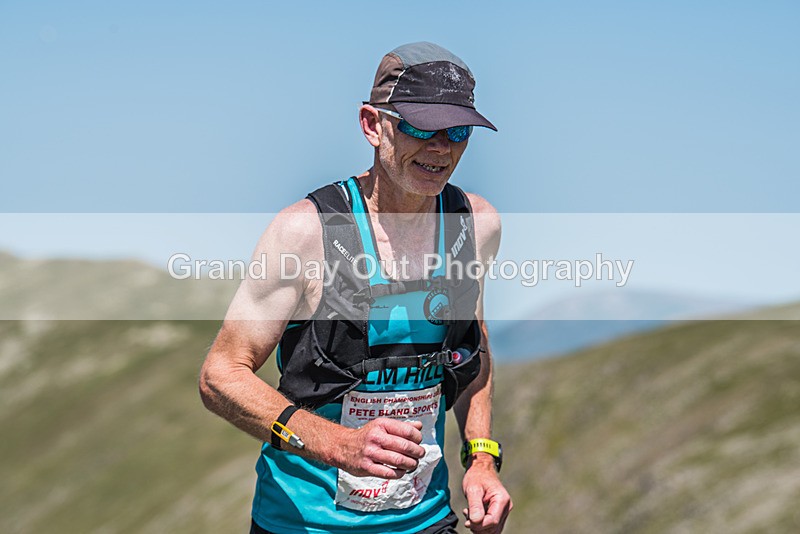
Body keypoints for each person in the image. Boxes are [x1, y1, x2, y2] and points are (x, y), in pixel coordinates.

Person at [200, 42, 512, 534]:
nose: (440, 147)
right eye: (420, 127)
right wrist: (335, 444)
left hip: (425, 521)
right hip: (301, 524)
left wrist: (481, 458)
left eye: (457, 131)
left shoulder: (476, 224)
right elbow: (220, 376)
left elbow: (473, 349)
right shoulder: (307, 232)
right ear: (372, 124)